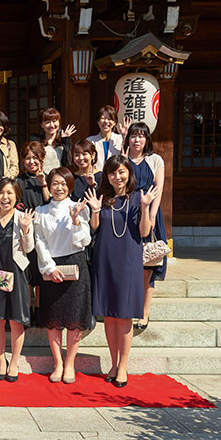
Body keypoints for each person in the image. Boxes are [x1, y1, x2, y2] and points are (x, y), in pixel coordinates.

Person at [85, 155, 158, 388]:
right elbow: (95, 229)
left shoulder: (138, 197)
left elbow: (145, 232)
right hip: (105, 258)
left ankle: (123, 366)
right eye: (113, 173)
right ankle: (114, 363)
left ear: (129, 173)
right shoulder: (103, 198)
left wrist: (146, 207)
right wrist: (95, 210)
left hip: (128, 259)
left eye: (122, 172)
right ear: (107, 176)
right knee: (108, 314)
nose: (118, 177)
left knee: (124, 315)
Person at [33, 168, 93, 384]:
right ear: (48, 185)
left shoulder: (78, 207)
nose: (58, 187)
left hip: (75, 264)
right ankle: (58, 363)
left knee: (75, 319)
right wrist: (49, 267)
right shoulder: (40, 211)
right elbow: (39, 241)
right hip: (52, 267)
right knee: (54, 319)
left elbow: (84, 241)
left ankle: (70, 363)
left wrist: (76, 220)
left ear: (69, 185)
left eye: (63, 183)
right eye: (54, 183)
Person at [0, 178, 35, 382]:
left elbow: (29, 249)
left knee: (16, 320)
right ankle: (1, 360)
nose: (5, 197)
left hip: (16, 273)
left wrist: (26, 230)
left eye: (10, 193)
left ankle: (14, 361)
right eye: (1, 193)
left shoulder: (24, 217)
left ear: (16, 196)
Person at [125, 122, 167, 330]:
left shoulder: (155, 160)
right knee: (128, 264)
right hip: (127, 216)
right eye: (133, 135)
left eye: (141, 136)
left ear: (147, 140)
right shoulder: (122, 160)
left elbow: (158, 189)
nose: (137, 139)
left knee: (148, 265)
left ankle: (144, 311)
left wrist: (150, 215)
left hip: (149, 213)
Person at [16, 140, 49, 326]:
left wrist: (44, 184)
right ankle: (27, 311)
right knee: (27, 273)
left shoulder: (48, 178)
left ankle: (40, 311)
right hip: (25, 229)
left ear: (41, 159)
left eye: (35, 158)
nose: (31, 161)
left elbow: (50, 202)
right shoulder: (19, 181)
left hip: (43, 230)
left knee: (40, 273)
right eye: (27, 158)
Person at [29, 108, 76, 174]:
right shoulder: (36, 141)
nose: (51, 125)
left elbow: (68, 162)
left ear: (59, 122)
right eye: (47, 122)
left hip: (59, 179)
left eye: (54, 121)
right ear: (42, 125)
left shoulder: (63, 141)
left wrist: (65, 139)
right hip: (40, 178)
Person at [86, 105, 131, 171]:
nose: (106, 121)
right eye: (103, 118)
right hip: (96, 178)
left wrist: (125, 137)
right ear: (98, 121)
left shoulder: (120, 139)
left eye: (110, 119)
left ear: (115, 122)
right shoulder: (90, 141)